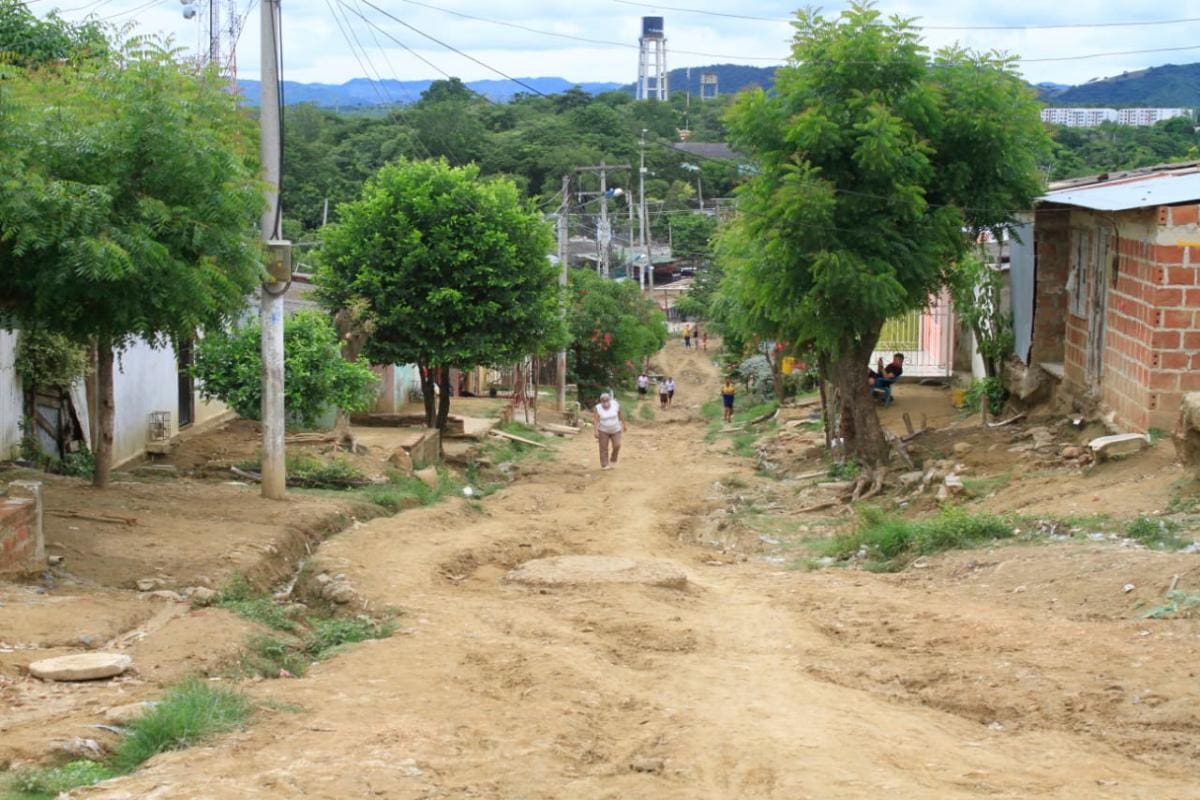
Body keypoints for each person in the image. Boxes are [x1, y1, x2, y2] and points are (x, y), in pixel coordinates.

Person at [592, 392, 626, 470]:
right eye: (603, 402)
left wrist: (624, 425)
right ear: (601, 402)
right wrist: (595, 431)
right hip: (603, 430)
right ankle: (605, 465)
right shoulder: (598, 408)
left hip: (616, 429)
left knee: (617, 445)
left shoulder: (615, 404)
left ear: (610, 400)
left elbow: (620, 415)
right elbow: (596, 420)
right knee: (603, 448)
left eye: (607, 401)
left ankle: (613, 458)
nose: (605, 403)